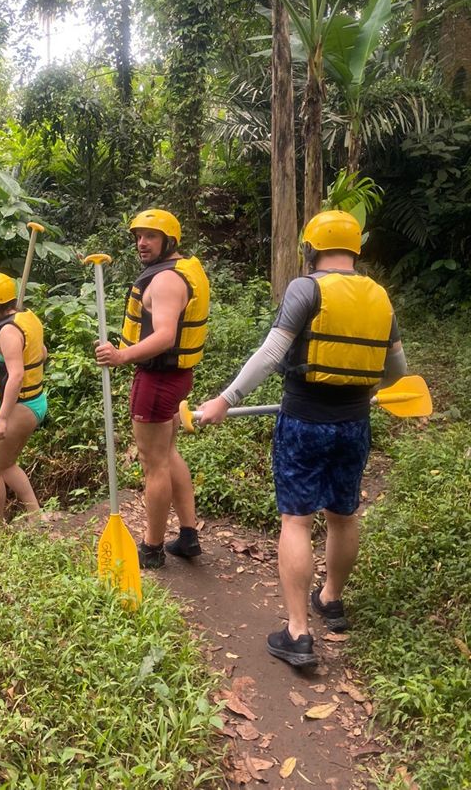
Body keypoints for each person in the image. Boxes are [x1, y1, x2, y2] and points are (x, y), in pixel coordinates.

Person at [196, 210, 408, 667]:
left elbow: (273, 352)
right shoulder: (380, 296)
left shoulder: (306, 287)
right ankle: (330, 599)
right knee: (343, 514)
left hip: (304, 420)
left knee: (296, 520)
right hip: (355, 425)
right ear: (355, 250)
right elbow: (397, 372)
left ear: (311, 248)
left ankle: (297, 633)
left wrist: (225, 399)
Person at [94, 209, 210, 569]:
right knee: (168, 452)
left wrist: (122, 355)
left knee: (153, 463)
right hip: (175, 377)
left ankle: (152, 547)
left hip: (158, 380)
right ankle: (188, 535)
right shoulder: (179, 270)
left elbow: (164, 336)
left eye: (151, 236)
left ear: (169, 241)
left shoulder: (164, 282)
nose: (142, 243)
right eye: (138, 236)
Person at [0, 273, 48, 522]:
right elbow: (42, 353)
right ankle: (37, 517)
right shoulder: (27, 319)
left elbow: (15, 376)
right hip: (31, 403)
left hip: (19, 407)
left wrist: (2, 419)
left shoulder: (8, 333)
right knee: (5, 464)